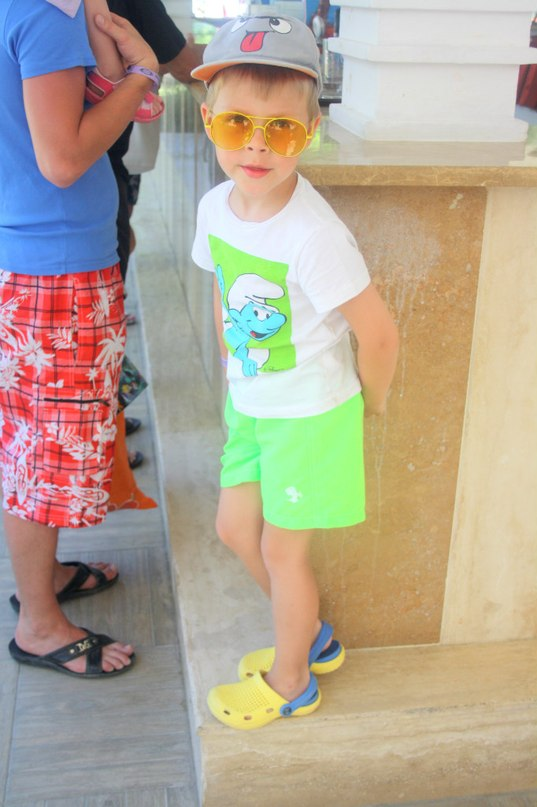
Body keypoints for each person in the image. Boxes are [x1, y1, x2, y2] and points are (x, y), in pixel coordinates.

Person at [191, 15, 399, 729]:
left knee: (283, 550)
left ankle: (292, 679)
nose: (256, 145)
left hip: (309, 414)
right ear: (209, 121)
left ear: (308, 133)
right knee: (234, 528)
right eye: (237, 124)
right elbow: (222, 287)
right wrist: (231, 372)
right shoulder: (215, 207)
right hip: (252, 404)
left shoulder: (313, 235)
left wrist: (372, 402)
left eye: (279, 130)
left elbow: (378, 333)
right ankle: (308, 633)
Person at [0, 1, 160, 677]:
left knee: (36, 440)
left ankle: (48, 578)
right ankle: (39, 624)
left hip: (35, 256)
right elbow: (63, 159)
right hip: (54, 267)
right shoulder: (42, 10)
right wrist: (144, 75)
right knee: (42, 453)